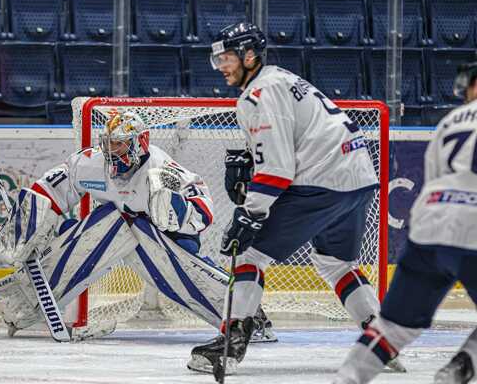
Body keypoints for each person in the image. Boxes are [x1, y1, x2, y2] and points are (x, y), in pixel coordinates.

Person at [187, 21, 404, 374]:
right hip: (359, 177)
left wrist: (250, 213)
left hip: (321, 180)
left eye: (226, 58)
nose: (221, 67)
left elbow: (277, 171)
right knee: (336, 263)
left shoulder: (258, 93)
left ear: (249, 55)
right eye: (218, 60)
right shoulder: (280, 78)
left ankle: (232, 343)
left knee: (248, 252)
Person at [0, 110, 273, 340]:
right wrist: (21, 233)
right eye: (109, 142)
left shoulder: (161, 169)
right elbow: (48, 189)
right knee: (95, 224)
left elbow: (202, 210)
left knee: (177, 267)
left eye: (120, 143)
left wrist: (173, 211)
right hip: (118, 228)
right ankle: (23, 303)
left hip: (165, 235)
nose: (111, 150)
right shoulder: (90, 163)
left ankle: (244, 316)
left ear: (139, 142)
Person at [333, 61, 477, 384]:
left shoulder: (450, 122)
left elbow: (438, 181)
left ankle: (346, 380)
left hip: (429, 226)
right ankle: (465, 363)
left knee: (393, 327)